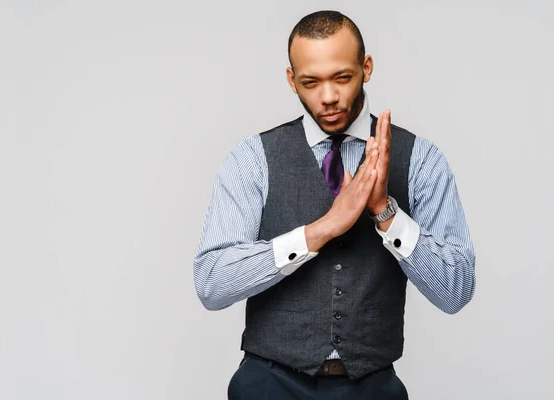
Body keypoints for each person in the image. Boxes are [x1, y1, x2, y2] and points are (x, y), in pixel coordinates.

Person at [193, 9, 476, 400]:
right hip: (267, 384)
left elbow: (456, 290)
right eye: (310, 82)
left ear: (367, 67)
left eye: (342, 77)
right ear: (292, 80)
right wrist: (322, 228)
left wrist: (385, 214)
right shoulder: (252, 158)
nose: (328, 97)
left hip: (373, 386)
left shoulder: (422, 160)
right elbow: (211, 282)